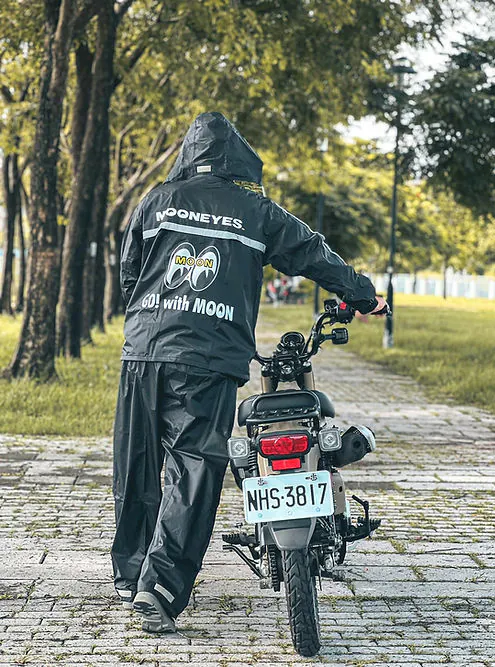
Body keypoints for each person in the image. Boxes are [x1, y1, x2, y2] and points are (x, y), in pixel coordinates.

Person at [111, 111, 387, 633]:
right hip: (210, 358)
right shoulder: (256, 211)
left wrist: (149, 319)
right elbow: (312, 253)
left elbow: (130, 271)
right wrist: (364, 296)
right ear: (238, 159)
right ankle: (159, 589)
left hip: (143, 349)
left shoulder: (157, 200)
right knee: (194, 469)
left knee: (136, 464)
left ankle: (130, 574)